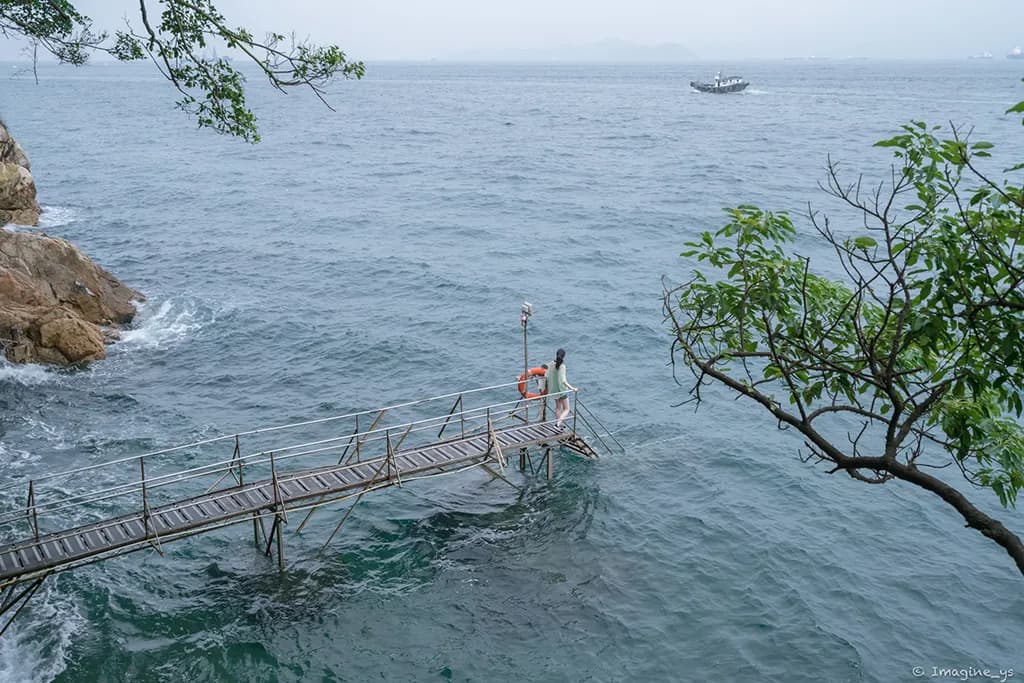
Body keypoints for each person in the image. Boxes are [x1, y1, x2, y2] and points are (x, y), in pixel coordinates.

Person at [546, 348, 576, 427]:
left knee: (558, 407)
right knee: (567, 409)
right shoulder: (562, 366)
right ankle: (558, 424)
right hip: (562, 390)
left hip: (554, 390)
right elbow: (563, 381)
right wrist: (572, 388)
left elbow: (546, 375)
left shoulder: (551, 364)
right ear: (563, 357)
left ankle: (558, 424)